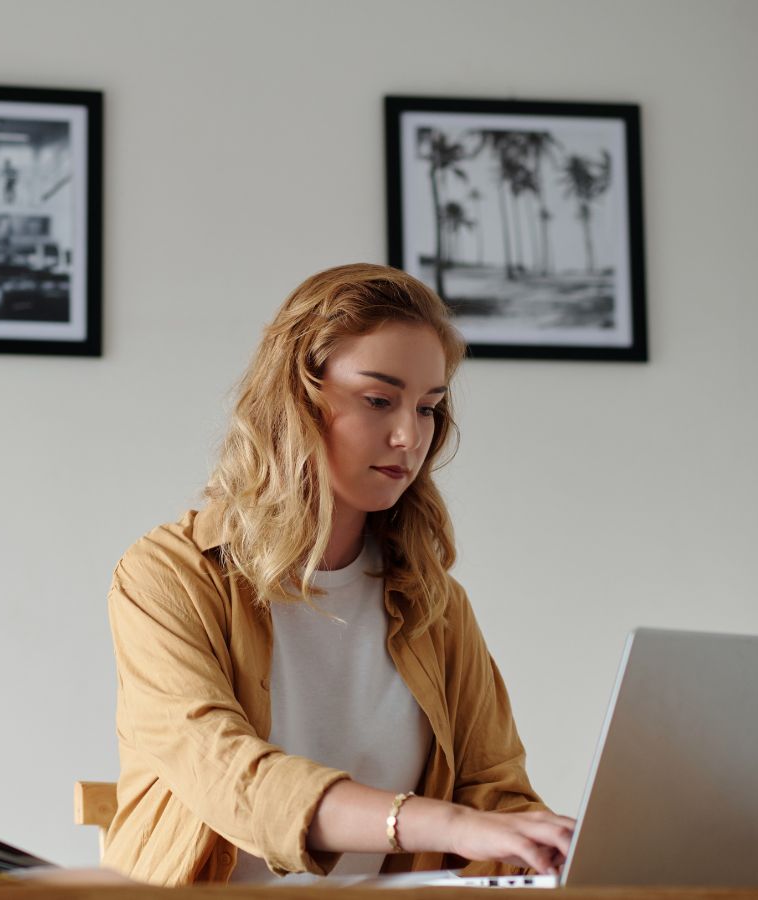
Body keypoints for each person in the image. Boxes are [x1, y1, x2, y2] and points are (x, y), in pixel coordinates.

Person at [104, 263, 573, 886]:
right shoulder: (168, 576)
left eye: (429, 408)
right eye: (379, 400)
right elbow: (225, 773)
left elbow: (494, 794)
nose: (410, 436)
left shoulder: (434, 601)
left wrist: (550, 843)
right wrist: (444, 824)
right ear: (295, 400)